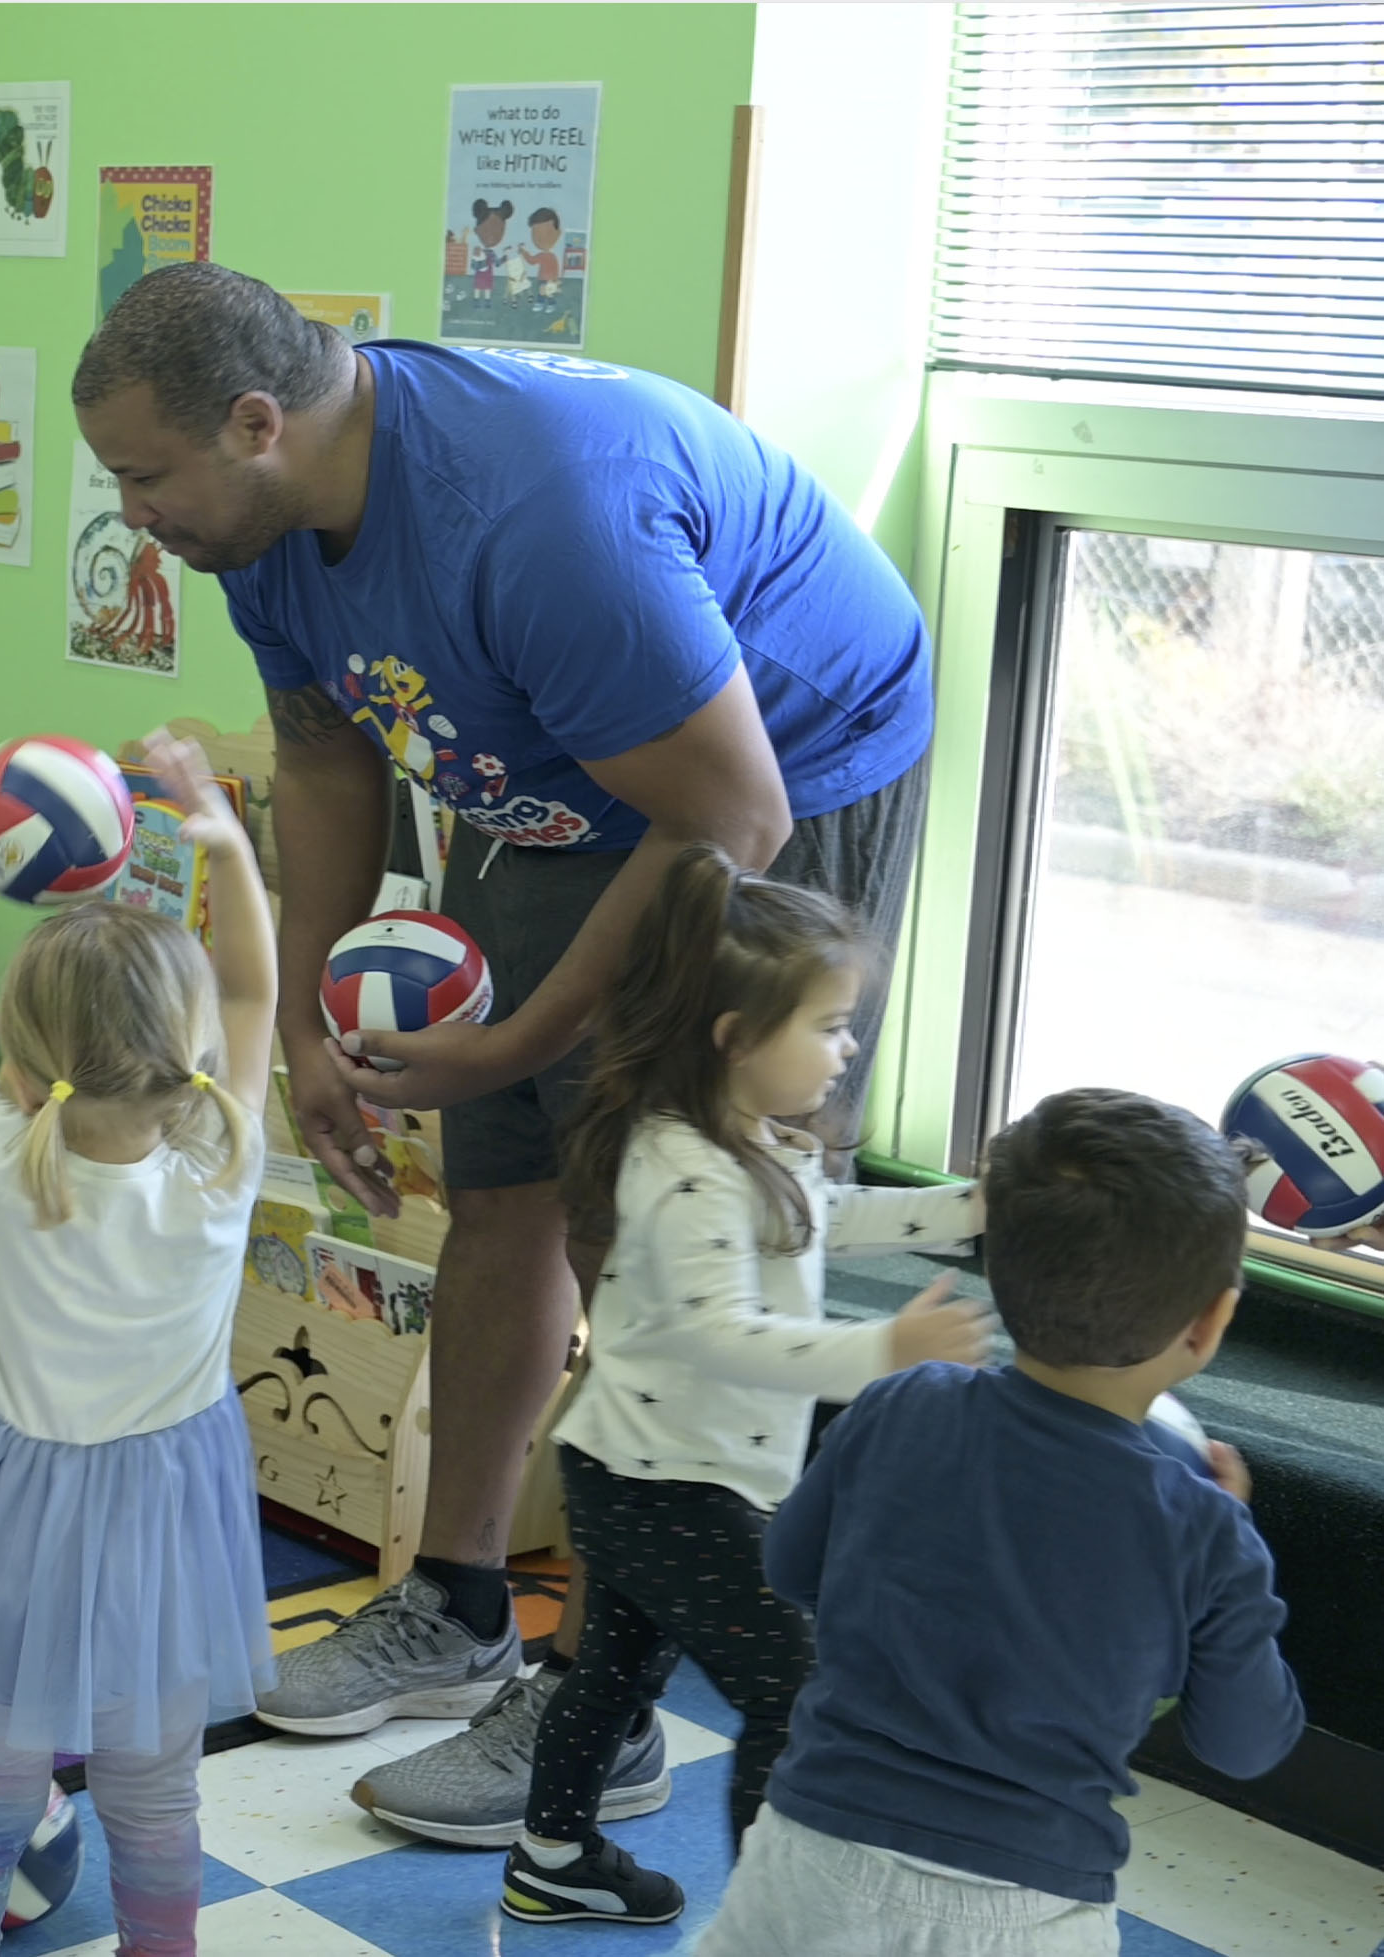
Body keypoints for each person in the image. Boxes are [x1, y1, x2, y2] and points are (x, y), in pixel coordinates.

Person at [71, 261, 935, 1828]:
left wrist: (520, 1035)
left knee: (645, 1240)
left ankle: (607, 1699)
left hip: (774, 774)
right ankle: (454, 1606)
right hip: (562, 779)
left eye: (144, 477)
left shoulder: (535, 518)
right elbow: (328, 759)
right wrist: (312, 1022)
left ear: (256, 422)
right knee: (502, 1191)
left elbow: (727, 814)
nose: (135, 517)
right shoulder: (262, 523)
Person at [443, 848, 988, 1924]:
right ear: (735, 1038)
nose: (847, 1048)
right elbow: (720, 1335)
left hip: (649, 1467)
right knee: (795, 1693)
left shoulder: (743, 1142)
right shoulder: (685, 1167)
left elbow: (828, 1218)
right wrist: (884, 1347)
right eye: (829, 1026)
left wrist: (972, 1206)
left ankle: (551, 1856)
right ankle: (768, 1925)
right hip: (667, 1486)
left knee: (612, 1670)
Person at [697, 1089, 1304, 1954]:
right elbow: (1243, 1743)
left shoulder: (903, 1402)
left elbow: (791, 1567)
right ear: (1210, 1323)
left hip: (807, 1855)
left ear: (999, 1265)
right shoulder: (1203, 1524)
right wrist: (1229, 1559)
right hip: (1026, 1905)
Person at [0, 737, 276, 1957]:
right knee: (156, 1796)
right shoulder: (225, 1159)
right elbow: (255, 992)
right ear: (185, 1052)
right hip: (167, 1506)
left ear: (20, 1047)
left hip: (11, 1498)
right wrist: (226, 846)